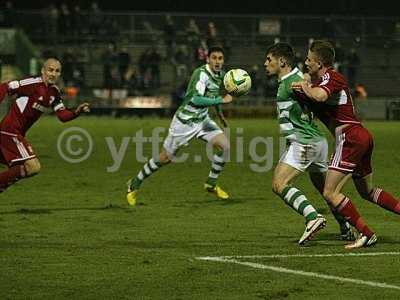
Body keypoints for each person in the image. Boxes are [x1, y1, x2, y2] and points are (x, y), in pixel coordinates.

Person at [292, 40, 400, 249]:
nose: (305, 63)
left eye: (309, 59)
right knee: (367, 192)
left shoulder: (333, 77)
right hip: (360, 136)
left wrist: (304, 85)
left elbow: (319, 96)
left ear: (320, 63)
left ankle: (366, 234)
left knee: (330, 192)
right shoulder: (320, 79)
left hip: (349, 137)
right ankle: (366, 233)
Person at [264, 42, 354, 245]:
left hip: (304, 142)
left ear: (282, 61)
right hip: (316, 142)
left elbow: (319, 96)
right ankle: (345, 225)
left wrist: (308, 81)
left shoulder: (293, 82)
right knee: (327, 192)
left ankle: (313, 218)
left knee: (279, 184)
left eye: (269, 59)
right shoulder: (293, 80)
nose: (265, 63)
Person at [126, 46, 233, 205]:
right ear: (208, 59)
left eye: (220, 58)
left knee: (225, 146)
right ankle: (134, 183)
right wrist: (220, 101)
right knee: (165, 158)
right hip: (184, 122)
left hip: (202, 121)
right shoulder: (201, 74)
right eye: (214, 58)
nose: (217, 61)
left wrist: (220, 115)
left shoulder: (221, 76)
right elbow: (196, 99)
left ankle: (211, 184)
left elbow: (215, 95)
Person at [0, 58, 90, 193]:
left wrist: (77, 112)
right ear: (43, 71)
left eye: (57, 71)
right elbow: (5, 87)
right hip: (10, 131)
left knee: (21, 168)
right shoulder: (32, 83)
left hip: (16, 134)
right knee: (32, 166)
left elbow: (62, 115)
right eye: (50, 70)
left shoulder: (54, 92)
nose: (53, 74)